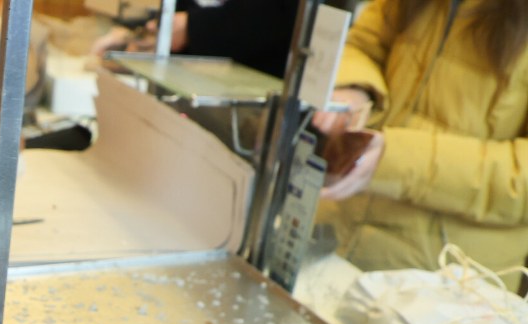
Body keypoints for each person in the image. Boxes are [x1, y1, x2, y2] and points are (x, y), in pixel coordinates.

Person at [312, 0, 528, 274]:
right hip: (337, 235)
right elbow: (363, 45)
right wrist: (356, 87)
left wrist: (397, 160)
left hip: (447, 278)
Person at [91, 0, 300, 78]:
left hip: (255, 86)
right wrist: (140, 36)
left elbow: (278, 15)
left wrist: (194, 27)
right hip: (187, 75)